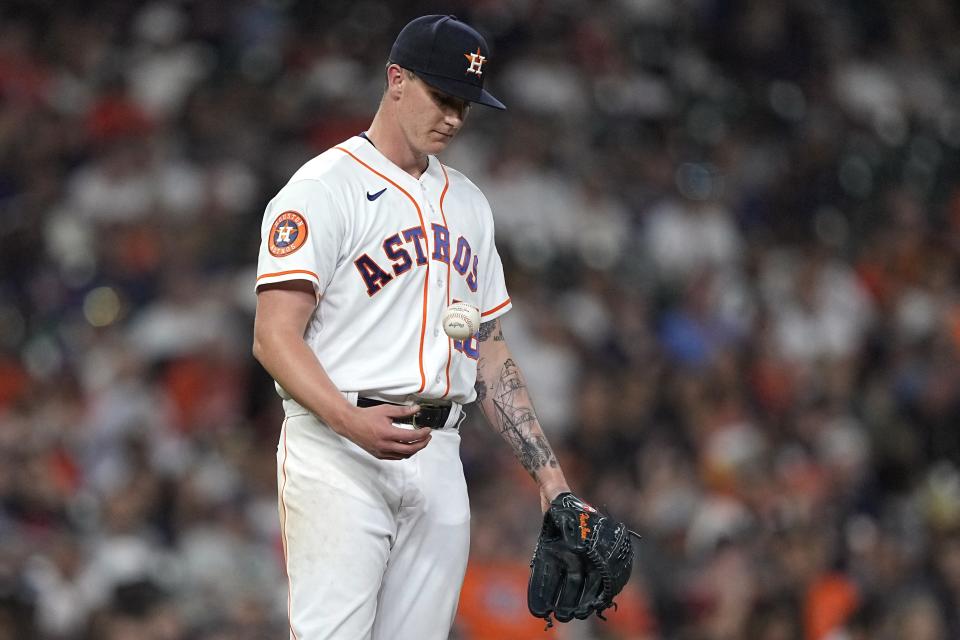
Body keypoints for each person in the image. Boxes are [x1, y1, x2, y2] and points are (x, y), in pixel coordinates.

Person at [252, 14, 572, 639]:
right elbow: (273, 336)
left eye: (466, 103)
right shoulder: (323, 188)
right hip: (337, 446)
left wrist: (550, 478)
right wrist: (348, 421)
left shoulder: (471, 204)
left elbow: (490, 349)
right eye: (442, 96)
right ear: (396, 79)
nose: (454, 116)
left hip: (439, 451)